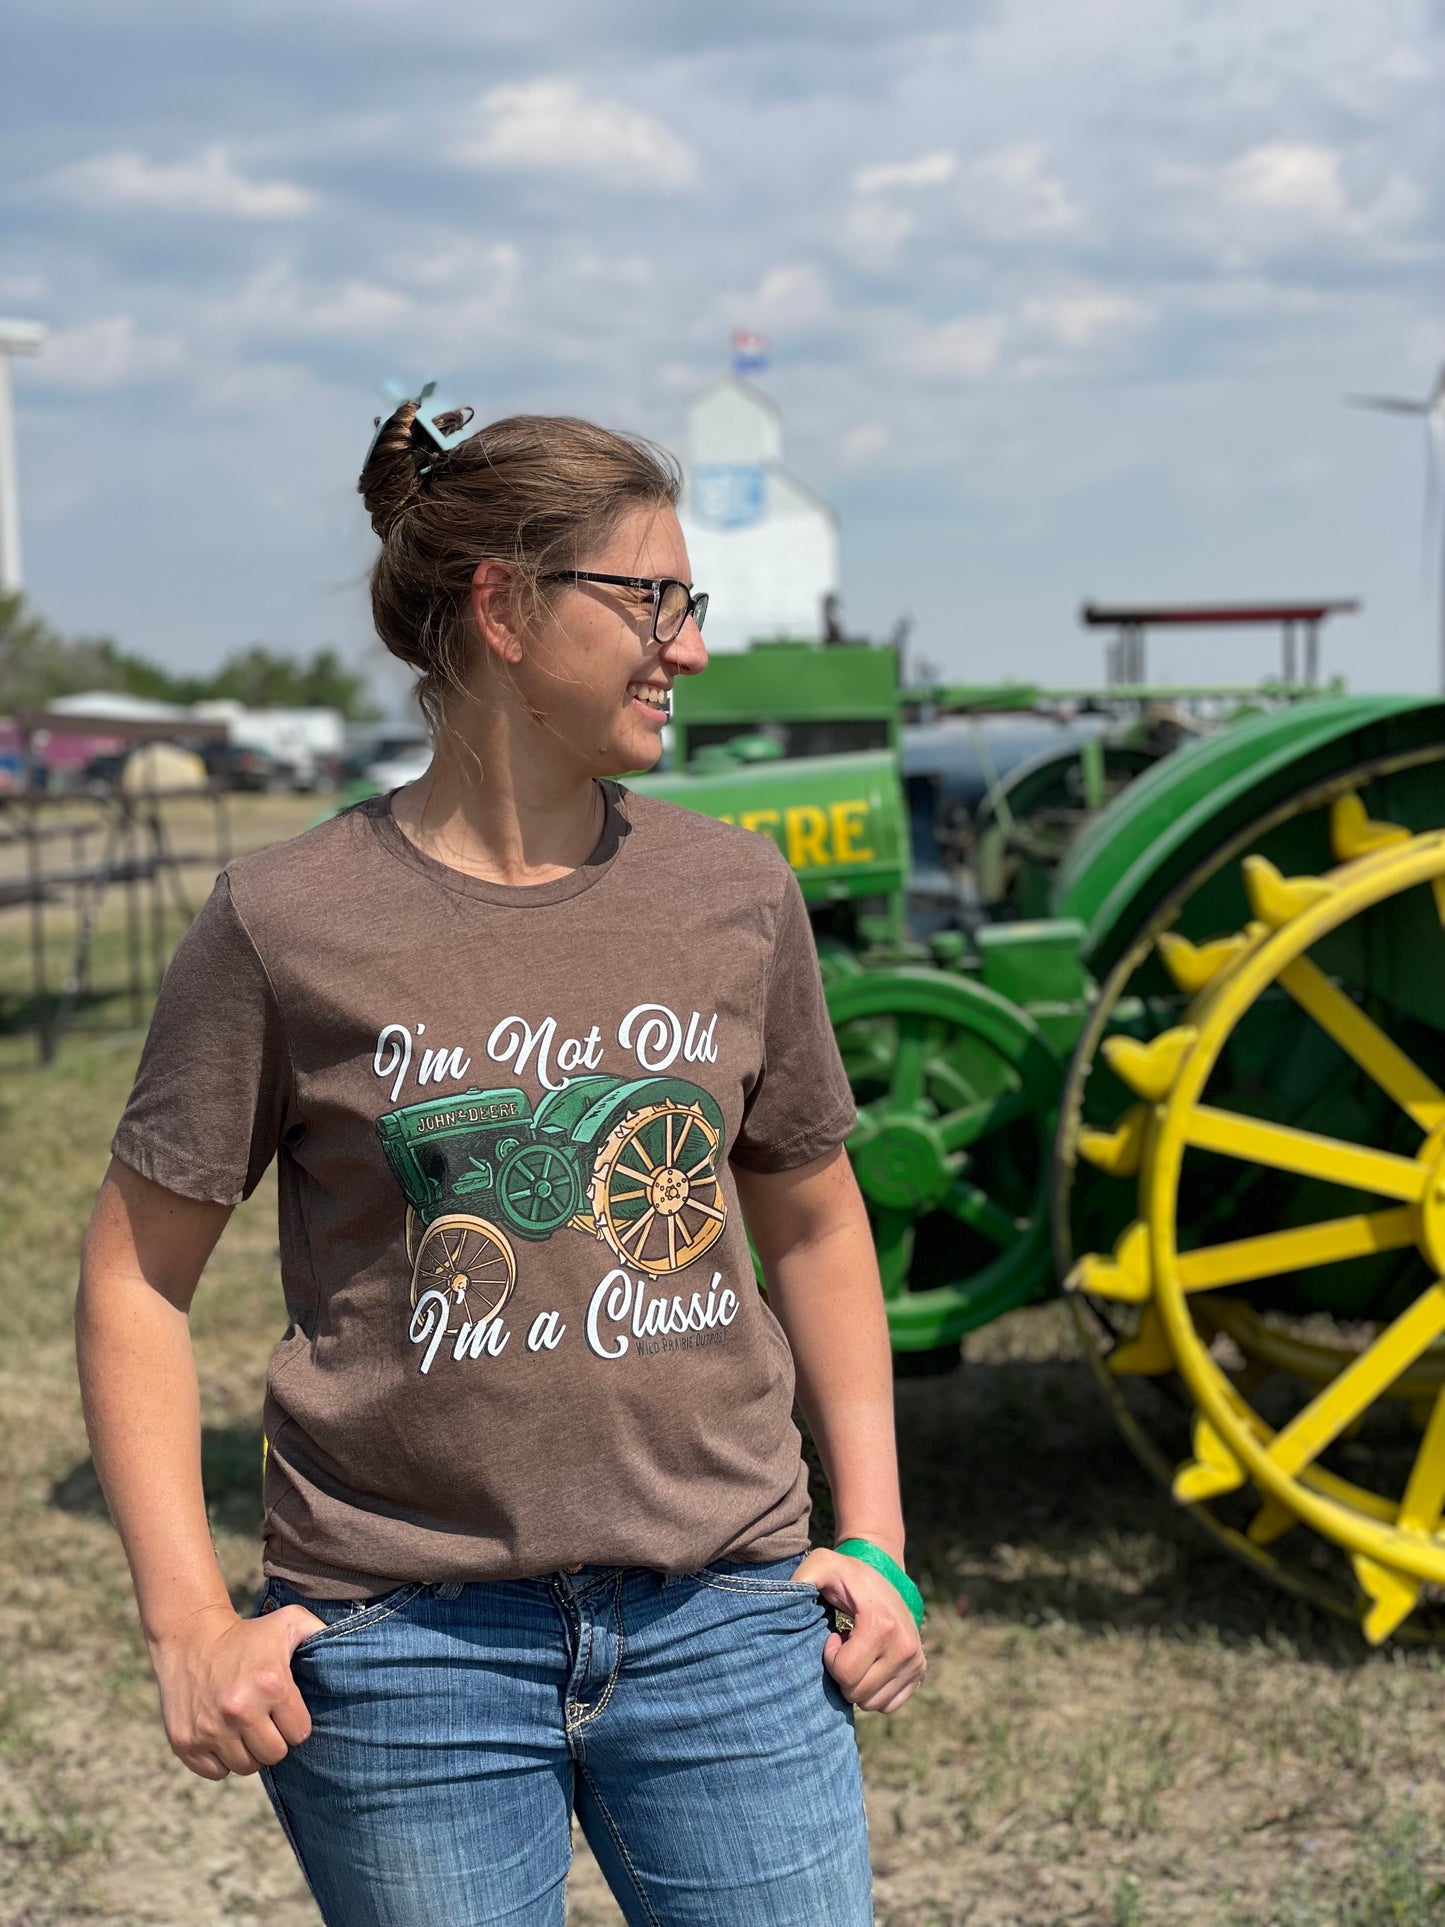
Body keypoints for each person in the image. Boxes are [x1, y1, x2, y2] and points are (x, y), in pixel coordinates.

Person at [74, 395, 927, 1927]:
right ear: (506, 608)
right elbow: (138, 1274)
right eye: (653, 601)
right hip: (402, 1653)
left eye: (692, 602)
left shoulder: (730, 892)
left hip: (726, 1617)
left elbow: (810, 1219)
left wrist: (875, 1534)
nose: (692, 646)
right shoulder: (283, 921)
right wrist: (186, 1621)